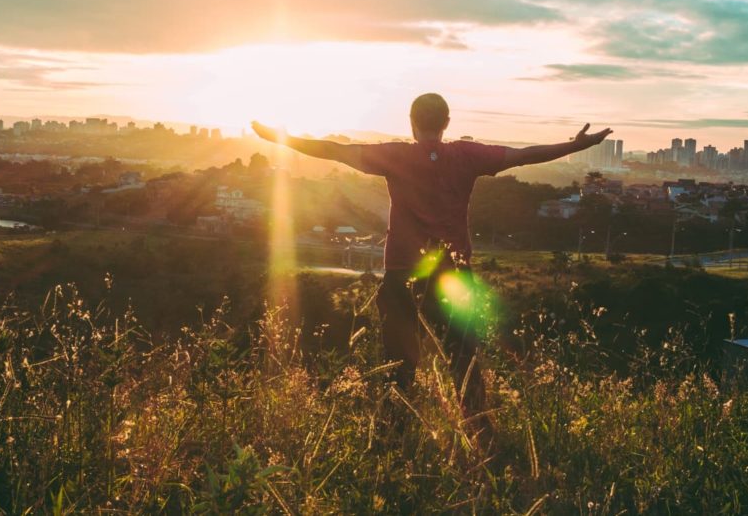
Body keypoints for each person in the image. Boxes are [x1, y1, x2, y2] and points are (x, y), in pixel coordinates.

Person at [251, 93, 612, 433]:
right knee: (463, 356)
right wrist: (577, 145)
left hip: (402, 272)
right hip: (453, 271)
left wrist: (280, 138)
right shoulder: (467, 155)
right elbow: (525, 154)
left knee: (399, 362)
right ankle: (480, 434)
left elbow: (332, 150)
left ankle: (396, 434)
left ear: (411, 122)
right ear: (447, 122)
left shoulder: (396, 156)